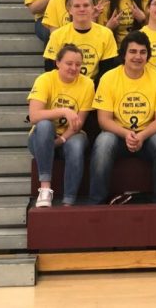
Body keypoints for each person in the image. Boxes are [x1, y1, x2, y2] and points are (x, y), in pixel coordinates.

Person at [88, 31, 156, 204]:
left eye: (143, 52)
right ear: (124, 55)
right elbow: (104, 120)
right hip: (118, 136)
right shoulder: (109, 78)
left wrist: (141, 136)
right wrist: (126, 134)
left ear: (148, 56)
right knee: (103, 142)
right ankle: (96, 203)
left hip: (148, 136)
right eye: (133, 52)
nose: (138, 56)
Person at [27, 44, 95, 207]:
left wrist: (62, 140)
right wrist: (63, 111)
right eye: (69, 63)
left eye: (78, 65)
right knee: (44, 125)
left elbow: (78, 124)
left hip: (69, 136)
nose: (74, 68)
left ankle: (68, 201)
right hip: (42, 139)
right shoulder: (45, 80)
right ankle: (45, 188)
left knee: (77, 145)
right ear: (57, 63)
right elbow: (34, 116)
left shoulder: (87, 84)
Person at [43, 0, 119, 83]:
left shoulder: (106, 34)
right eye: (77, 6)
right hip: (65, 87)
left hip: (94, 88)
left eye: (86, 5)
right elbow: (50, 68)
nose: (82, 9)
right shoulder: (57, 35)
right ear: (69, 9)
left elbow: (107, 70)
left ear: (92, 8)